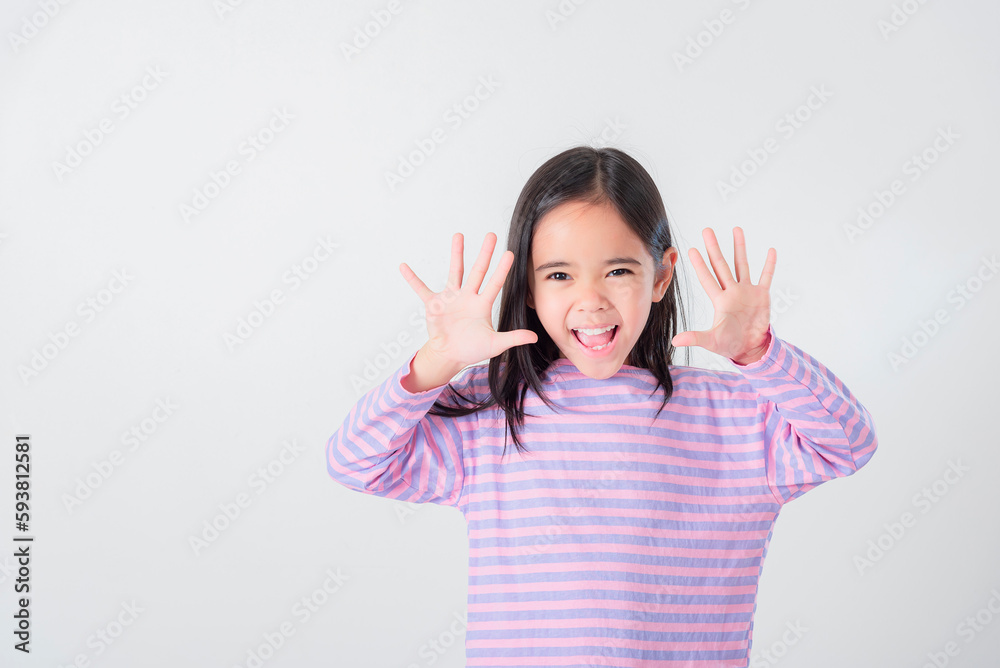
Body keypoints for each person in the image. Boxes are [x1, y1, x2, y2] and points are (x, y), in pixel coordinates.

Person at [326, 146, 878, 667]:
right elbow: (355, 462)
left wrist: (762, 354)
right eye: (560, 275)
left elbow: (848, 444)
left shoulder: (733, 416)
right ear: (531, 291)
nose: (590, 300)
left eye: (618, 271)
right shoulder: (495, 409)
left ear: (660, 276)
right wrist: (437, 361)